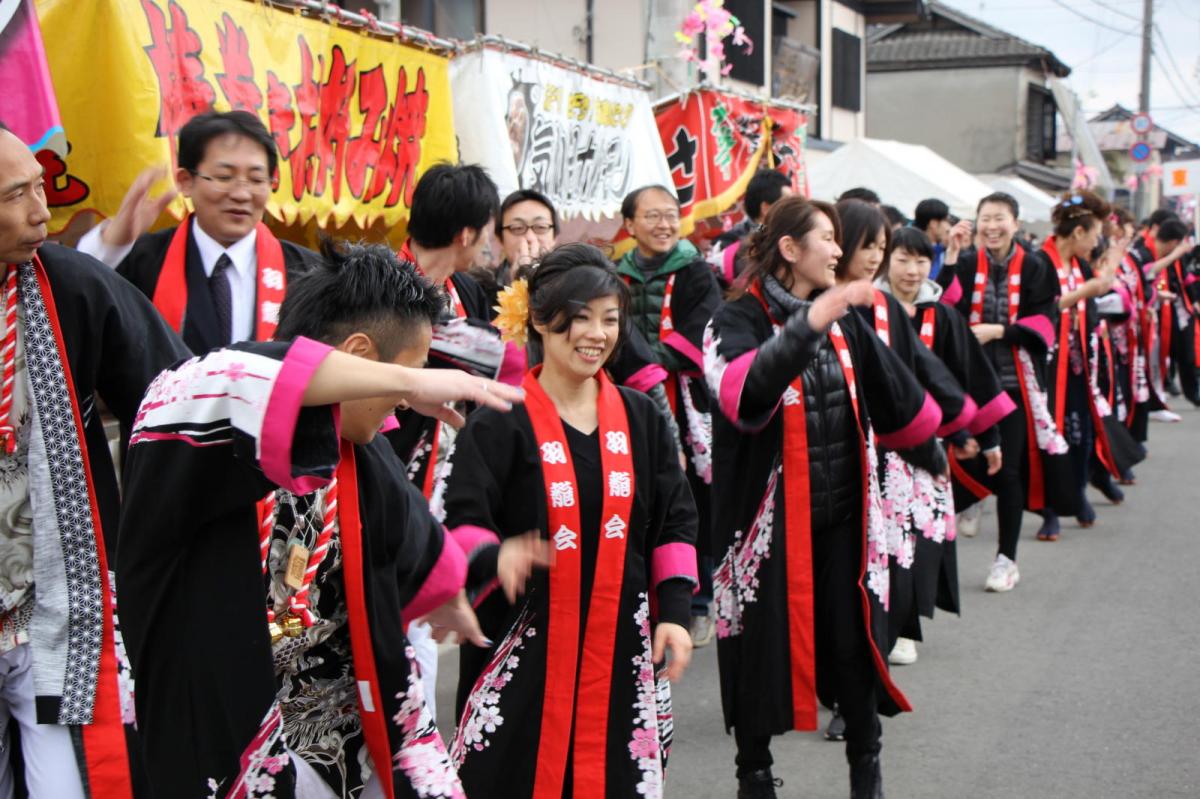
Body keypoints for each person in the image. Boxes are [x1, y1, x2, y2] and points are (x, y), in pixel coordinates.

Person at [115, 240, 529, 798]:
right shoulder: (203, 403)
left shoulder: (362, 454)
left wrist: (451, 585)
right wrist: (408, 382)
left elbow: (415, 541)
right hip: (226, 738)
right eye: (409, 371)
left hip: (339, 734)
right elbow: (228, 377)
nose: (406, 400)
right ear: (359, 354)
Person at [704, 196, 947, 799]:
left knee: (854, 645)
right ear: (789, 249)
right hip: (765, 531)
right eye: (828, 240)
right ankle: (754, 776)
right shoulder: (731, 321)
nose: (840, 252)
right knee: (758, 654)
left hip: (841, 521)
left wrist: (939, 451)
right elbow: (744, 396)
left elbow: (893, 386)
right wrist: (811, 323)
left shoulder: (839, 315)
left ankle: (867, 769)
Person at [440, 244, 698, 798]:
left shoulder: (641, 417)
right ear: (538, 319)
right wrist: (495, 555)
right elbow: (461, 519)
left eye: (609, 320)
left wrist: (674, 611)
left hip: (620, 646)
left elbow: (674, 520)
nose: (596, 335)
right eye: (579, 318)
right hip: (524, 648)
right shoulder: (497, 422)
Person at [0, 120, 190, 797]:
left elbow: (174, 392)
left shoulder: (71, 285)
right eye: (15, 194)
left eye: (38, 187)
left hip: (54, 613)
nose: (39, 211)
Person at [387, 164, 522, 716]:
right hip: (386, 489)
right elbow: (495, 357)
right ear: (468, 234)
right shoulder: (382, 287)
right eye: (490, 229)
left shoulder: (465, 289)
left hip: (443, 494)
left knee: (421, 653)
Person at [834, 200, 972, 668]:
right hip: (835, 450)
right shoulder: (819, 303)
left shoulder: (886, 306)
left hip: (891, 447)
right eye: (868, 247)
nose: (875, 257)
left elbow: (919, 371)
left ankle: (892, 635)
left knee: (900, 544)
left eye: (881, 246)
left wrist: (960, 425)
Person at [76, 110, 322, 353]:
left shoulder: (308, 272)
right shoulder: (143, 261)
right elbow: (77, 305)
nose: (241, 194)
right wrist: (112, 245)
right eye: (224, 177)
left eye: (256, 180)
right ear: (185, 181)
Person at [876, 227, 1012, 626]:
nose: (912, 270)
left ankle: (905, 623)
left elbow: (970, 378)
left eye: (920, 261)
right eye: (902, 259)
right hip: (872, 444)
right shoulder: (867, 309)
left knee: (920, 534)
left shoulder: (943, 316)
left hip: (928, 446)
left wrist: (988, 439)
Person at [938, 192, 1072, 592]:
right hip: (966, 383)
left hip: (1013, 386)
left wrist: (1000, 332)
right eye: (985, 218)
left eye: (999, 218)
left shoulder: (1035, 265)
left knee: (1010, 471)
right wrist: (948, 257)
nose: (991, 226)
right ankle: (975, 497)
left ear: (1015, 223)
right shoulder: (963, 262)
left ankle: (1006, 559)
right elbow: (941, 308)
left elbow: (1046, 320)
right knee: (967, 458)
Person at [616, 184, 722, 648]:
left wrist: (643, 361)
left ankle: (696, 603)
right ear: (630, 224)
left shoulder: (697, 272)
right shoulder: (613, 274)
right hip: (626, 400)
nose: (664, 224)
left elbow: (703, 333)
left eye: (670, 215)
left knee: (690, 500)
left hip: (683, 404)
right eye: (652, 216)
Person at [1034, 192, 1144, 541]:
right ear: (1078, 232)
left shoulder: (1079, 265)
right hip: (1047, 367)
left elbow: (1098, 288)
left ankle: (1079, 493)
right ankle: (1049, 510)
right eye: (1094, 234)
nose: (1096, 241)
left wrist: (1113, 256)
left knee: (1080, 436)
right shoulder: (1041, 262)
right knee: (1050, 440)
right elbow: (1041, 310)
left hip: (1079, 364)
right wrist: (1087, 292)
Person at [711, 169, 794, 286]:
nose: (795, 209)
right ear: (766, 208)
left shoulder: (756, 231)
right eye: (788, 204)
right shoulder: (740, 243)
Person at [913, 198, 951, 280]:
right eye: (946, 221)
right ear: (933, 223)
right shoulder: (913, 249)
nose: (948, 227)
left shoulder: (942, 251)